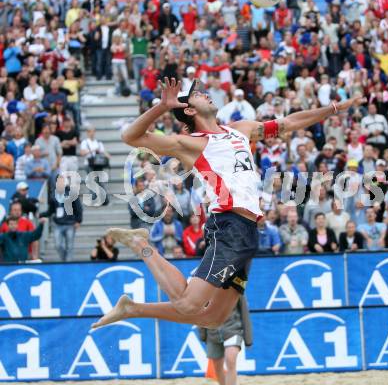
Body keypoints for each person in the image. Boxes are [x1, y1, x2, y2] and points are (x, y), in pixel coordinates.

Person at [91, 77, 362, 330]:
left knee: (213, 318)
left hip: (248, 230)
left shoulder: (239, 130)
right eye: (197, 94)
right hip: (229, 224)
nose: (205, 94)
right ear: (189, 111)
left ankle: (132, 309)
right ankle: (141, 245)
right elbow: (130, 137)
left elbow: (288, 123)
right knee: (188, 304)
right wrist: (162, 107)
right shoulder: (189, 143)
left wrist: (334, 108)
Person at [198, 296, 252, 385]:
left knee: (230, 360)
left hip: (233, 330)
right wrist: (203, 334)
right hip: (212, 334)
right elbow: (200, 313)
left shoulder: (236, 286)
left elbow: (244, 313)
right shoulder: (205, 288)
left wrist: (248, 339)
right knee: (217, 367)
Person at [40, 175, 83, 261]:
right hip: (58, 223)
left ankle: (68, 263)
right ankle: (65, 260)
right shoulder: (53, 195)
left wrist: (78, 220)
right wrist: (42, 215)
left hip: (70, 223)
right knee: (57, 245)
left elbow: (78, 207)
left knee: (69, 246)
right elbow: (51, 210)